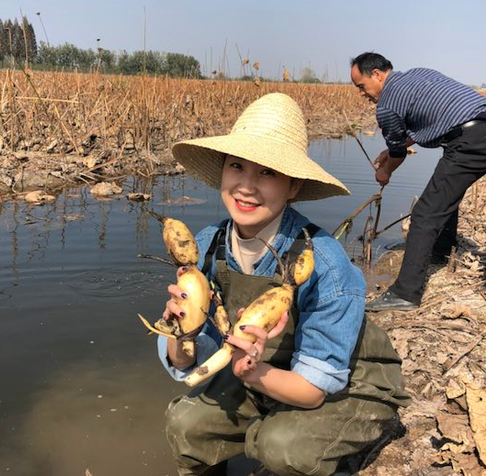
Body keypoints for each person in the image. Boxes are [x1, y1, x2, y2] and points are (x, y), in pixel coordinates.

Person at [155, 93, 410, 476]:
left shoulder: (324, 262)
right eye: (237, 166)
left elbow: (313, 388)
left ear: (293, 187)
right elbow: (196, 360)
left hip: (339, 386)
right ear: (222, 172)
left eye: (268, 172)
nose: (247, 186)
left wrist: (252, 374)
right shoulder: (206, 247)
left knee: (280, 446)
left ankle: (337, 449)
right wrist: (179, 331)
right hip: (259, 369)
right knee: (187, 426)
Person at [350, 52, 486, 311]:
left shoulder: (387, 105)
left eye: (361, 86)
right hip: (479, 126)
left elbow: (399, 154)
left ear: (377, 75)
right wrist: (391, 150)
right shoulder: (419, 74)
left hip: (468, 141)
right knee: (445, 196)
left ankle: (405, 294)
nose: (361, 93)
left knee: (424, 214)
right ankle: (441, 251)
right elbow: (434, 118)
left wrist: (385, 172)